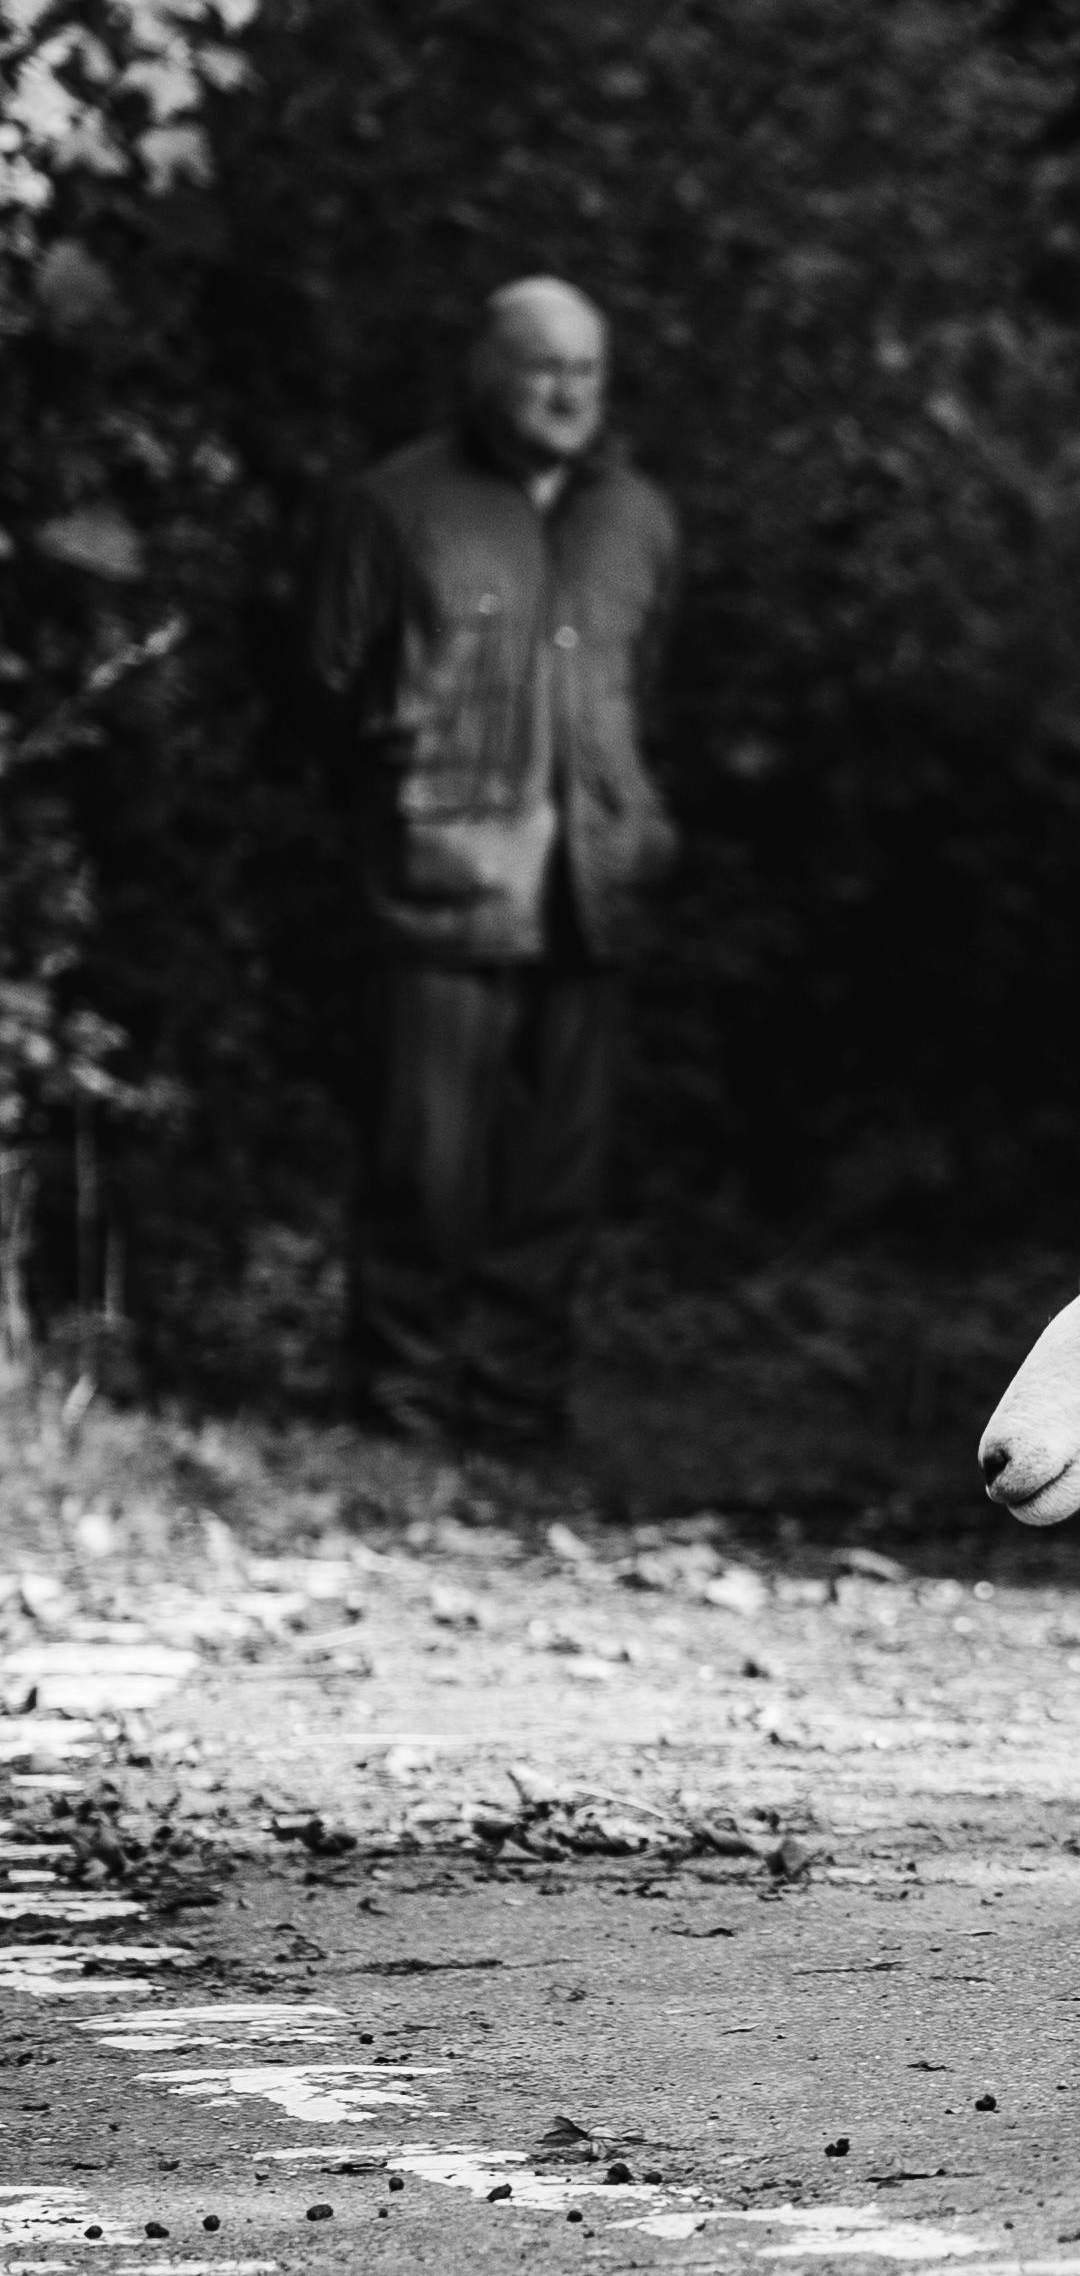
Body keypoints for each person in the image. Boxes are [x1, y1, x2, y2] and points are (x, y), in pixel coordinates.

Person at [308, 276, 677, 1449]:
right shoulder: (393, 505)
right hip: (440, 883)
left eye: (588, 370)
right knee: (422, 1167)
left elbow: (639, 682)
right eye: (543, 368)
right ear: (485, 373)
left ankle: (519, 1406)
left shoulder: (636, 515)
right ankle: (400, 1403)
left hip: (594, 894)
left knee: (558, 1179)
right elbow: (327, 689)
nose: (570, 392)